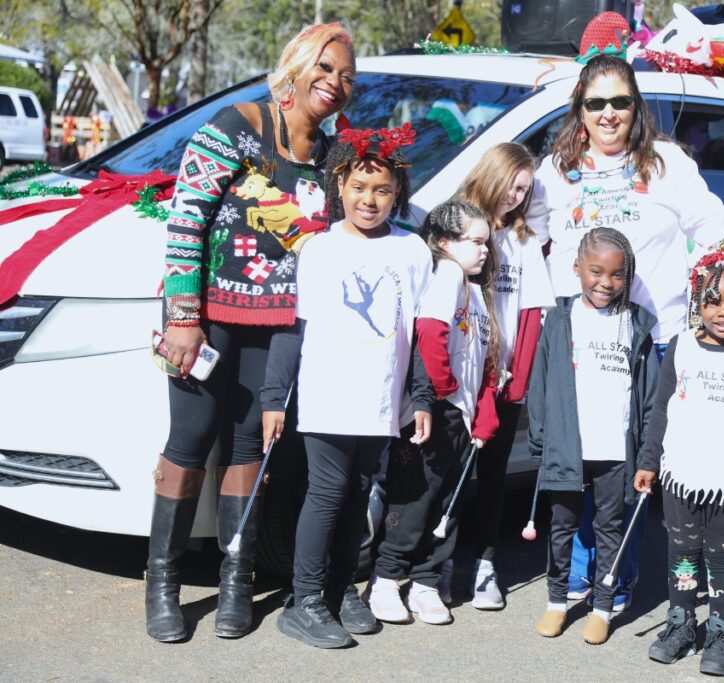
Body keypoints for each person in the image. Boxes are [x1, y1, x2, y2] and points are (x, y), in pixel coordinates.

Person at [145, 22, 354, 643]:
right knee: (189, 439)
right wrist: (183, 318)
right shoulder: (238, 124)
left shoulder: (333, 156)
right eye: (325, 67)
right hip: (205, 316)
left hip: (276, 325)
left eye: (346, 77)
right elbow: (186, 220)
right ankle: (163, 583)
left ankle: (236, 580)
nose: (334, 83)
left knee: (248, 448)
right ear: (295, 65)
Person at [529, 53, 724, 610]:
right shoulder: (556, 170)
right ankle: (573, 578)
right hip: (577, 345)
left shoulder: (665, 163)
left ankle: (614, 578)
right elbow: (526, 236)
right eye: (596, 103)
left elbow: (714, 230)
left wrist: (721, 303)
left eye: (620, 101)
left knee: (625, 467)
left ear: (635, 105)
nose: (609, 113)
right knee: (576, 461)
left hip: (650, 341)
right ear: (580, 108)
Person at [261, 126, 431, 648]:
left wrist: (420, 396)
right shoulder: (319, 250)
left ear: (397, 191)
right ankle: (304, 598)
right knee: (328, 491)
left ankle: (339, 587)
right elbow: (295, 330)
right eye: (360, 187)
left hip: (380, 399)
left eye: (382, 190)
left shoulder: (413, 250)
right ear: (340, 185)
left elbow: (419, 331)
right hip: (329, 395)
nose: (370, 199)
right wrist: (274, 399)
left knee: (359, 492)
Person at [635, 241, 724, 676]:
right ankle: (680, 626)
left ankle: (720, 634)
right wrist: (648, 460)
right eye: (713, 301)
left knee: (722, 558)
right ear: (698, 302)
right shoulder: (681, 347)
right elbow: (660, 409)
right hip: (682, 475)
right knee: (682, 553)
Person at [368, 200, 500, 626]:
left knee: (449, 499)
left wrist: (483, 408)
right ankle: (387, 579)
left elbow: (484, 355)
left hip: (463, 415)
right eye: (475, 242)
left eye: (486, 242)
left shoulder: (475, 288)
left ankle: (426, 583)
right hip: (439, 411)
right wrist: (443, 390)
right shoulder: (448, 273)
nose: (483, 250)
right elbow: (430, 331)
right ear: (444, 242)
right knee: (418, 497)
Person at [529, 227, 659, 646]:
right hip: (569, 444)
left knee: (609, 530)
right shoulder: (561, 319)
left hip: (615, 450)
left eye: (617, 275)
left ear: (629, 276)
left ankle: (602, 607)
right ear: (577, 269)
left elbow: (650, 394)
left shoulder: (637, 323)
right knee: (562, 526)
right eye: (596, 272)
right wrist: (541, 438)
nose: (606, 283)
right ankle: (556, 603)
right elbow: (541, 380)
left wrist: (647, 455)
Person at [448, 142, 555, 609]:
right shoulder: (454, 227)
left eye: (524, 190)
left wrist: (517, 379)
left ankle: (485, 563)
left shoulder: (524, 241)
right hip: (458, 376)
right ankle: (438, 564)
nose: (515, 196)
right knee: (449, 472)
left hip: (503, 378)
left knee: (491, 476)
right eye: (511, 185)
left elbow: (531, 312)